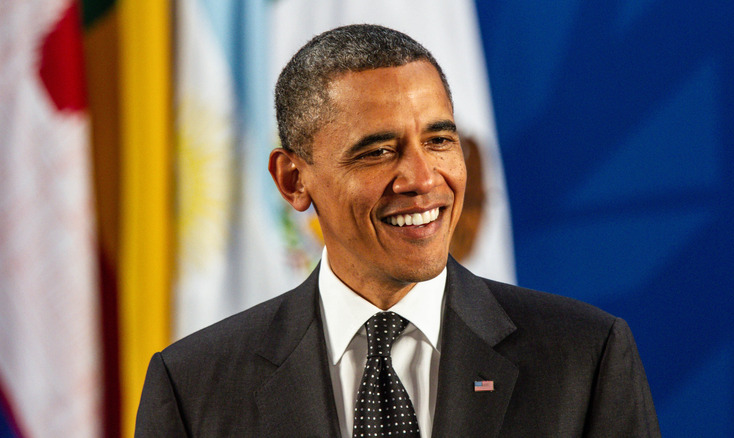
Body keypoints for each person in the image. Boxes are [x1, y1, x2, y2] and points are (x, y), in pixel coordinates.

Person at [135, 24, 660, 437]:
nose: (423, 179)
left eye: (438, 141)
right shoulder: (192, 386)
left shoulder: (584, 358)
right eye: (379, 151)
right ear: (293, 180)